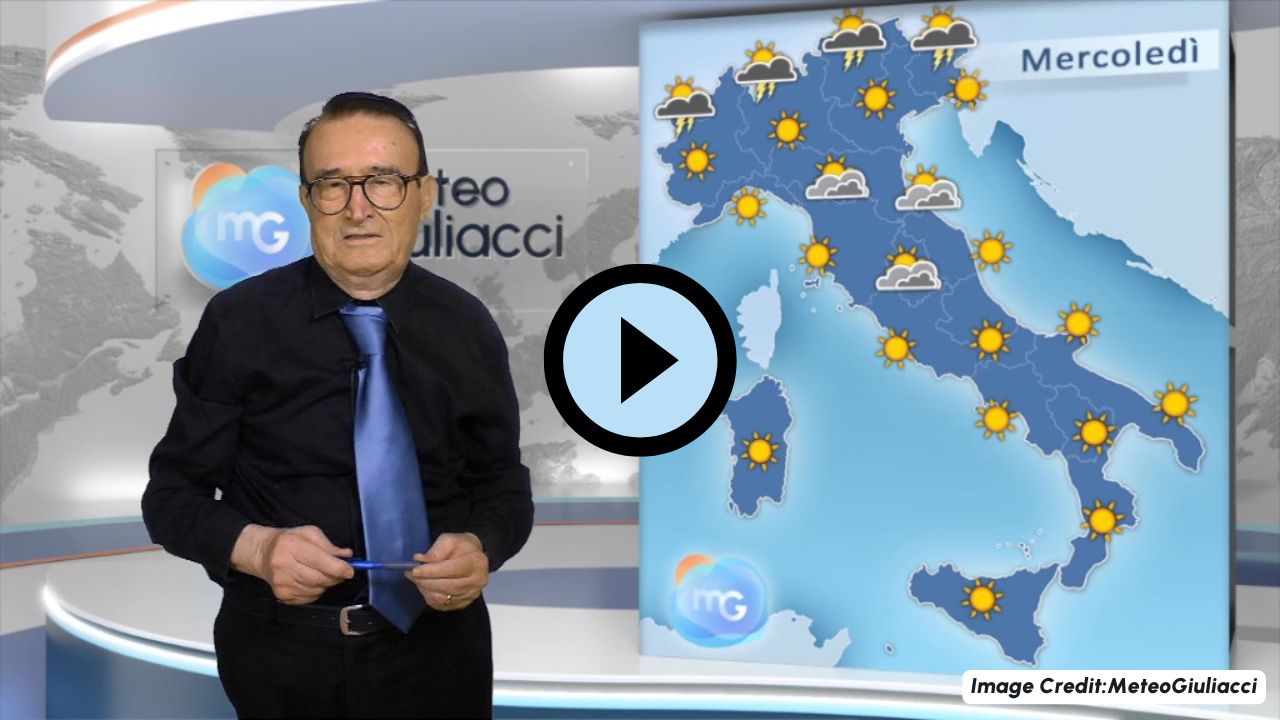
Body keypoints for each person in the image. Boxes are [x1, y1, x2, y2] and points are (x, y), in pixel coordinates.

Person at [142, 91, 534, 719]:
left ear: (425, 195)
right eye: (332, 184)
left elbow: (503, 487)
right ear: (306, 199)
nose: (358, 208)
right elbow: (171, 497)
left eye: (383, 181)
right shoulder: (238, 323)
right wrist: (256, 549)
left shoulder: (468, 326)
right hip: (280, 657)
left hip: (441, 653)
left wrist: (482, 545)